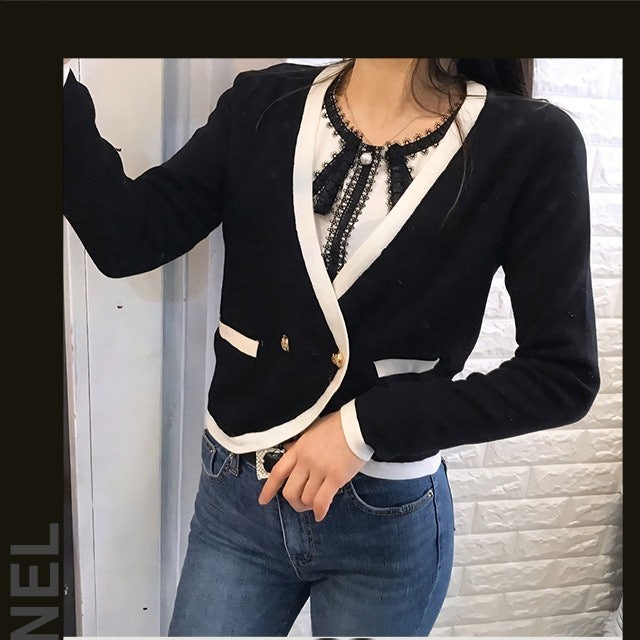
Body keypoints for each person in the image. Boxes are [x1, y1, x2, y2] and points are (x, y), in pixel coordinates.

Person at [63, 58, 600, 636]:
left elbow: (561, 375)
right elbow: (128, 237)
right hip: (238, 498)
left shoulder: (530, 142)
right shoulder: (263, 102)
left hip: (385, 520)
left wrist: (362, 426)